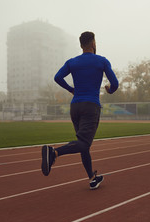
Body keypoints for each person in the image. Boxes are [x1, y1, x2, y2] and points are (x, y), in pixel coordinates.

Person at [41, 31, 119, 190]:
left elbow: (57, 77)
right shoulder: (102, 61)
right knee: (83, 143)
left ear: (81, 45)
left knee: (83, 144)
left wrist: (71, 90)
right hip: (91, 106)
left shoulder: (72, 62)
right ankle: (54, 153)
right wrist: (109, 89)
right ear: (93, 43)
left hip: (75, 107)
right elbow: (115, 84)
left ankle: (92, 177)